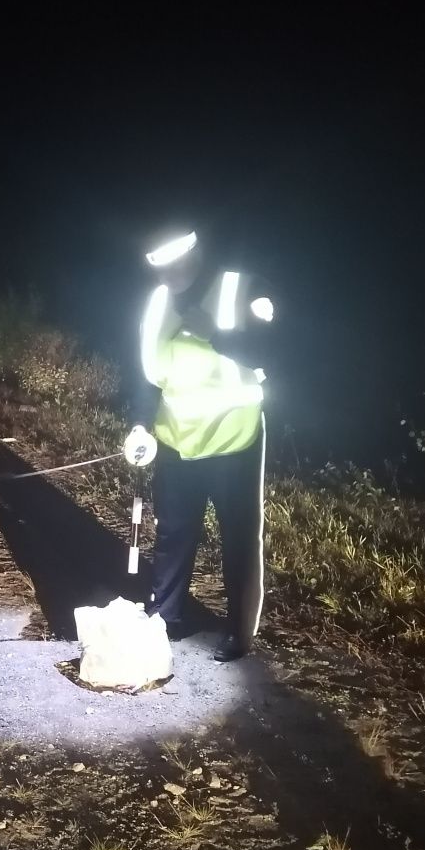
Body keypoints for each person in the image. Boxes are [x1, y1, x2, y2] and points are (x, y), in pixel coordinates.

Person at [123, 229, 275, 661]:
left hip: (235, 439)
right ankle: (164, 618)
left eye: (174, 260)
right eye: (157, 262)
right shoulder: (155, 301)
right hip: (177, 440)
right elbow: (145, 371)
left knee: (238, 539)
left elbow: (279, 352)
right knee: (173, 532)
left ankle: (238, 633)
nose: (167, 270)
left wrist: (216, 334)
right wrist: (139, 424)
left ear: (194, 253)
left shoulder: (241, 289)